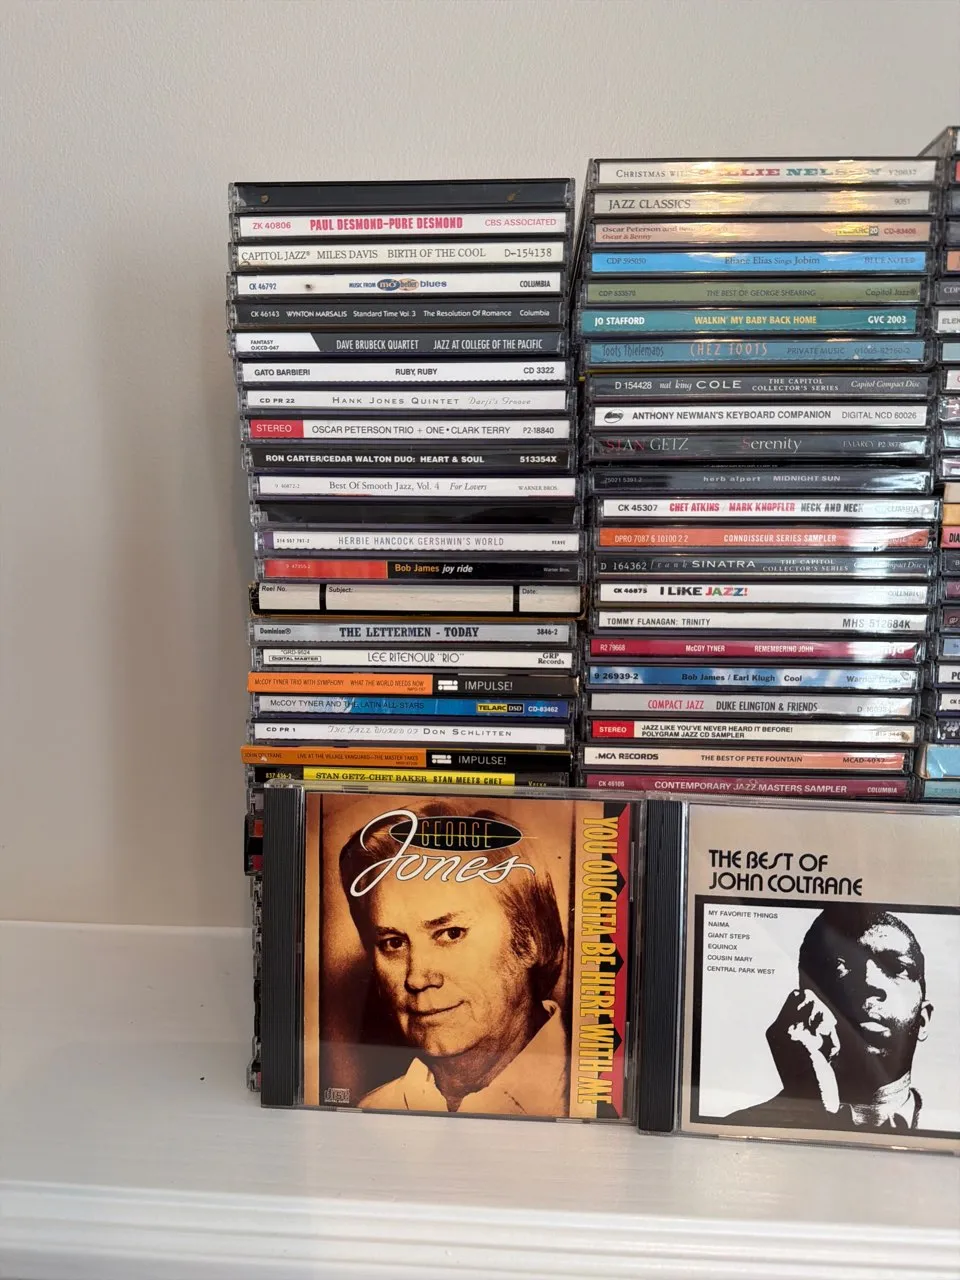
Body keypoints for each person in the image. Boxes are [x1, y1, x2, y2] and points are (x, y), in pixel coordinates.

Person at [337, 801, 568, 1116]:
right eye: (394, 943)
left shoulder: (586, 1101)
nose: (417, 977)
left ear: (530, 940)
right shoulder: (370, 1111)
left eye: (451, 934)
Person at [724, 904, 934, 1132]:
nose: (869, 982)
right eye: (839, 966)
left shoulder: (949, 1130)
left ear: (923, 1020)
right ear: (804, 1000)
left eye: (896, 967)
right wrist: (807, 1100)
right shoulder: (736, 1130)